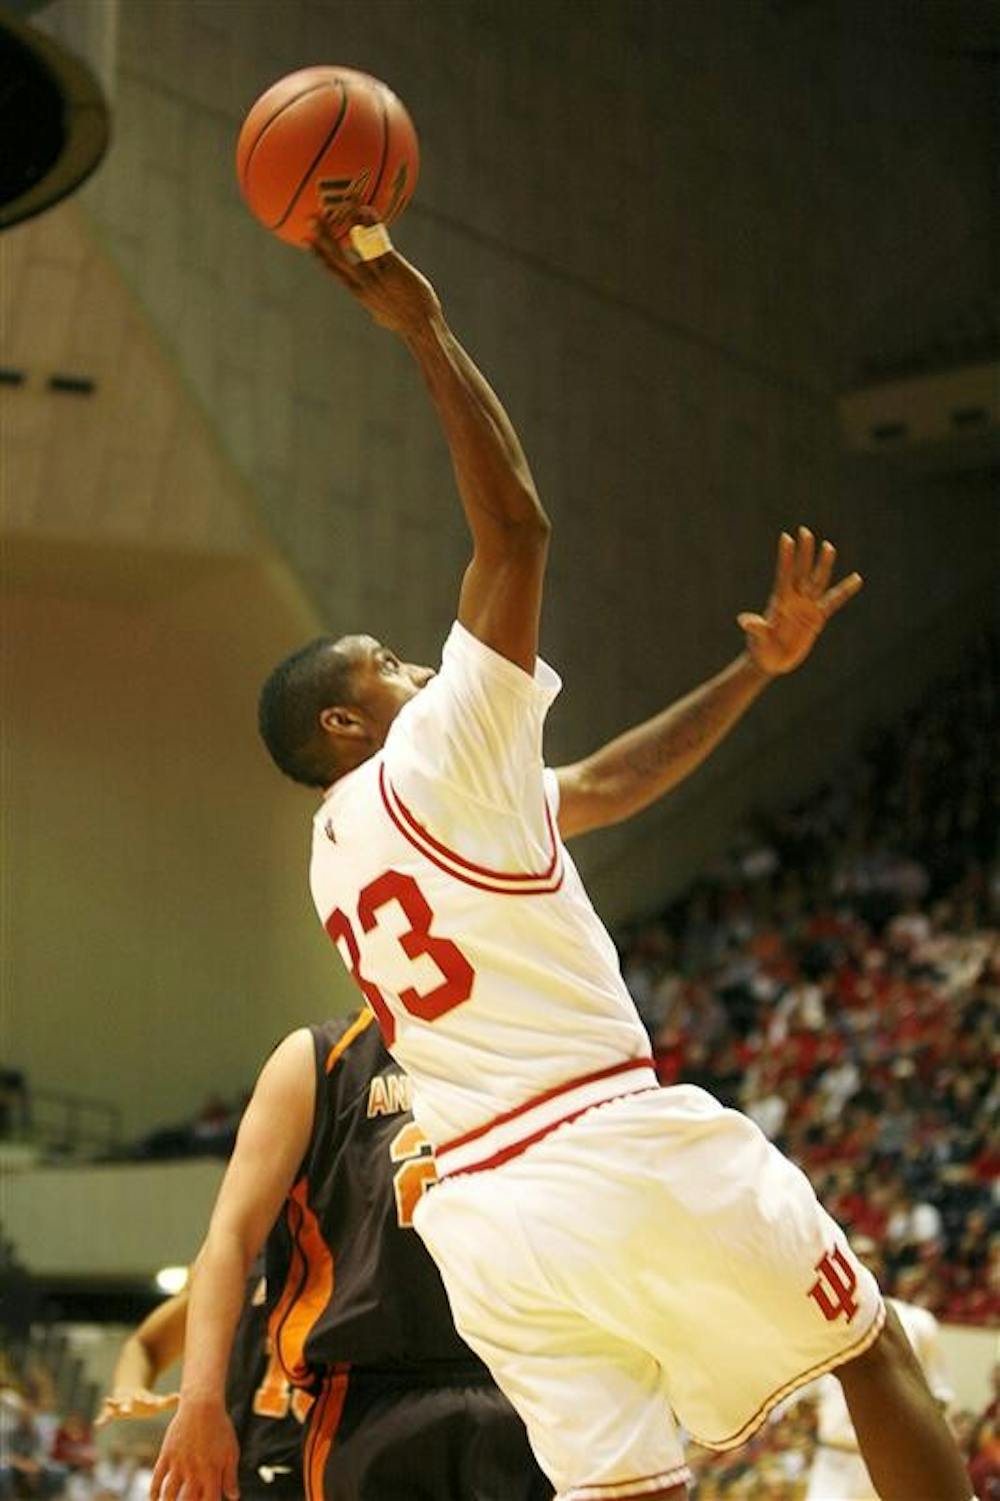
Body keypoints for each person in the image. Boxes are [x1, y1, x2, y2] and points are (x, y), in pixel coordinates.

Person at [252, 210, 973, 1501]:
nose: (427, 667)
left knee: (625, 1494)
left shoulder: (335, 852)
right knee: (876, 1346)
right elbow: (518, 533)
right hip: (602, 1140)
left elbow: (601, 785)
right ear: (346, 722)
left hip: (488, 1224)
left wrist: (755, 669)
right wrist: (422, 323)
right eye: (395, 667)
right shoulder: (430, 761)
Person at [150, 1011, 552, 1501]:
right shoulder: (320, 1059)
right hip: (369, 1398)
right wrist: (199, 1400)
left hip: (526, 1380)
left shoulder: (534, 1043)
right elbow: (227, 1238)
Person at [98, 1271, 305, 1499]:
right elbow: (146, 1345)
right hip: (231, 1474)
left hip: (323, 1470)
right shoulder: (238, 1255)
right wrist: (129, 1388)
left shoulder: (346, 1257)